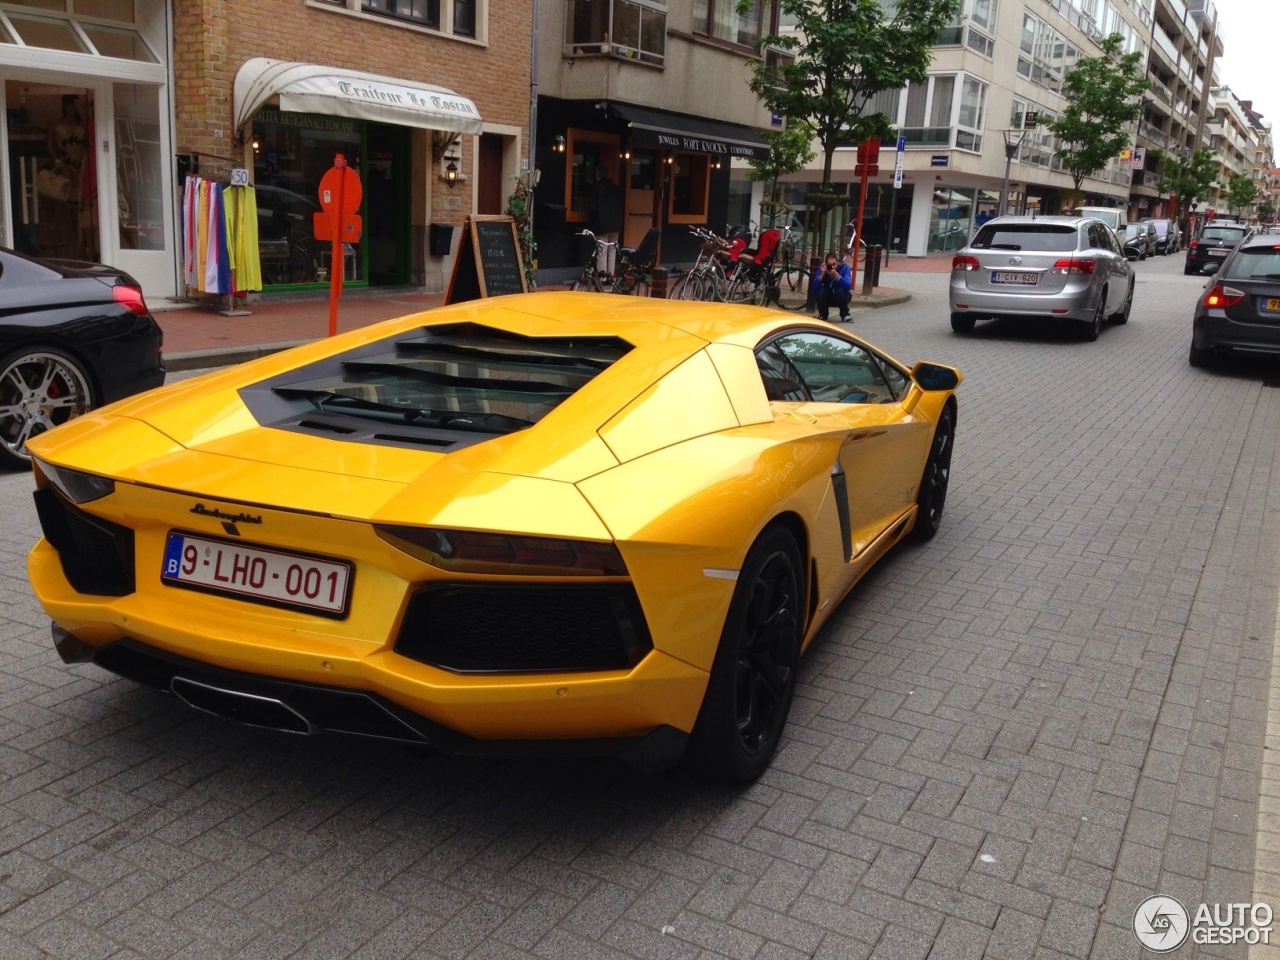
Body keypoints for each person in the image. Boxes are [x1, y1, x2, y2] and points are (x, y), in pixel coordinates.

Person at [587, 163, 624, 276]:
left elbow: (593, 208)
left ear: (597, 175)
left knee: (602, 251)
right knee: (612, 251)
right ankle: (611, 276)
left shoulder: (596, 188)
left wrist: (591, 223)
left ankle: (602, 278)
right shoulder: (615, 187)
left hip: (602, 225)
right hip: (615, 225)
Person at [811, 252, 853, 322]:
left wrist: (837, 276)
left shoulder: (844, 268)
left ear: (837, 262)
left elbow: (848, 286)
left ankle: (845, 314)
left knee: (841, 291)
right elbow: (814, 288)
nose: (833, 267)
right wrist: (822, 275)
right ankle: (823, 314)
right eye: (830, 265)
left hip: (842, 296)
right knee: (821, 291)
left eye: (834, 264)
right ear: (826, 265)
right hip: (828, 297)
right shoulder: (821, 270)